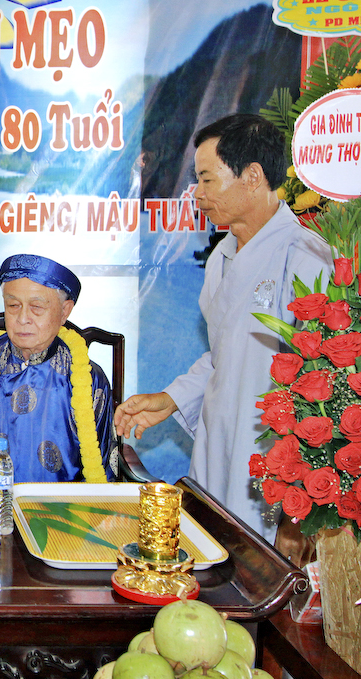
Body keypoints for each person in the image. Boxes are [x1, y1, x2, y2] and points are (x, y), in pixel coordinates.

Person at [114, 114, 332, 539]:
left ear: (252, 177)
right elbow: (225, 355)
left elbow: (325, 383)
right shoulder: (221, 257)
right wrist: (171, 399)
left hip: (273, 458)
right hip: (218, 447)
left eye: (207, 180)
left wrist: (302, 506)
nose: (196, 193)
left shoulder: (306, 257)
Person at [0, 253, 119, 492]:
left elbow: (102, 476)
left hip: (65, 510)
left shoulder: (90, 378)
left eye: (37, 307)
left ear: (64, 311)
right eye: (13, 306)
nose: (22, 318)